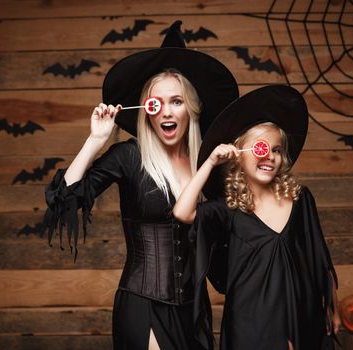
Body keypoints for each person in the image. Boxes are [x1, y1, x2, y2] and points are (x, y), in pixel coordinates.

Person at [42, 21, 238, 350]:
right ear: (146, 112)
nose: (166, 111)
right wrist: (94, 141)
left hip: (194, 311)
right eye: (156, 103)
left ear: (192, 108)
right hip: (143, 304)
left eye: (176, 101)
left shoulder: (208, 166)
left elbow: (224, 241)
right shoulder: (129, 157)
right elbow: (64, 201)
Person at [172, 85, 341, 350]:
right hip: (250, 322)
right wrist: (211, 162)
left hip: (302, 313)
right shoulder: (229, 209)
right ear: (239, 156)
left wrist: (333, 308)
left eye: (277, 150)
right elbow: (183, 212)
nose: (271, 157)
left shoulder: (300, 198)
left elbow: (319, 257)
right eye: (262, 148)